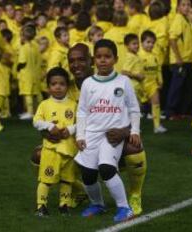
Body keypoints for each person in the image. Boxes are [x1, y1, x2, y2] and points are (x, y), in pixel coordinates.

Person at [75, 39, 141, 222]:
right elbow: (82, 112)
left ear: (115, 59)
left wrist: (134, 131)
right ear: (93, 59)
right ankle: (97, 204)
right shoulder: (88, 83)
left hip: (113, 136)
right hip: (91, 134)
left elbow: (134, 109)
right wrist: (80, 135)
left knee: (106, 168)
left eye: (107, 56)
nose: (103, 60)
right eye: (99, 57)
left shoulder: (124, 81)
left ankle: (124, 207)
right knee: (87, 174)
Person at [33, 67, 78, 216]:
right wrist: (50, 126)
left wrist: (70, 130)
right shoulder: (44, 105)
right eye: (54, 84)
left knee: (67, 180)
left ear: (67, 86)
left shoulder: (73, 104)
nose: (58, 87)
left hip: (69, 149)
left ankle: (64, 205)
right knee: (46, 179)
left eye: (62, 84)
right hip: (51, 150)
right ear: (48, 87)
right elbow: (36, 121)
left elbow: (82, 123)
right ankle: (41, 206)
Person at [166, 0, 192, 119]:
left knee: (183, 87)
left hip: (186, 59)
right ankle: (170, 112)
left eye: (188, 5)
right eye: (183, 5)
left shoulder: (185, 19)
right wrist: (178, 57)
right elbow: (172, 39)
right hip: (180, 61)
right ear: (178, 7)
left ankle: (180, 111)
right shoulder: (178, 19)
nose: (186, 7)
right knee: (176, 87)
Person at [139, 30, 167, 133]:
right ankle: (135, 127)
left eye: (152, 43)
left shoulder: (155, 55)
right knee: (137, 107)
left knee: (156, 102)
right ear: (142, 42)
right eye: (148, 42)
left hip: (152, 84)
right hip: (141, 85)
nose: (150, 45)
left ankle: (157, 126)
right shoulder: (139, 55)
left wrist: (160, 80)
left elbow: (158, 69)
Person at [17, 25, 42, 120]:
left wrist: (18, 69)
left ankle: (30, 112)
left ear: (23, 36)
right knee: (37, 93)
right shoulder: (36, 46)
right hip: (36, 72)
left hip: (26, 73)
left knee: (28, 93)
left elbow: (22, 62)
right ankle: (39, 111)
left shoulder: (24, 47)